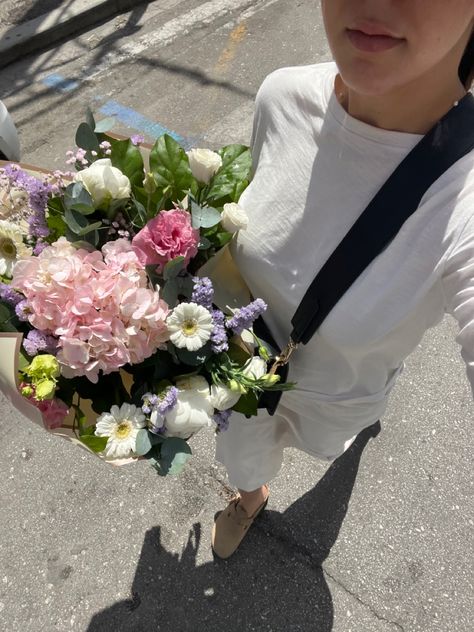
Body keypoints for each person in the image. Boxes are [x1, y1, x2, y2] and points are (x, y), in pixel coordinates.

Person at [211, 0, 474, 559]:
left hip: (335, 395)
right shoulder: (282, 96)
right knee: (242, 451)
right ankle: (249, 498)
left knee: (340, 440)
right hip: (243, 367)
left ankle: (365, 423)